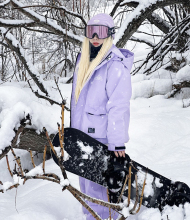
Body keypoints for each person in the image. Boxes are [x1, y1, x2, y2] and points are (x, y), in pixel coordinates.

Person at [70, 13, 134, 220]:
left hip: (102, 140)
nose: (95, 36)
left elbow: (119, 106)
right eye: (91, 31)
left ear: (110, 34)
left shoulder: (115, 65)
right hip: (82, 138)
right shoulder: (84, 60)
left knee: (99, 191)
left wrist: (116, 144)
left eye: (101, 31)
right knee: (86, 188)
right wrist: (73, 135)